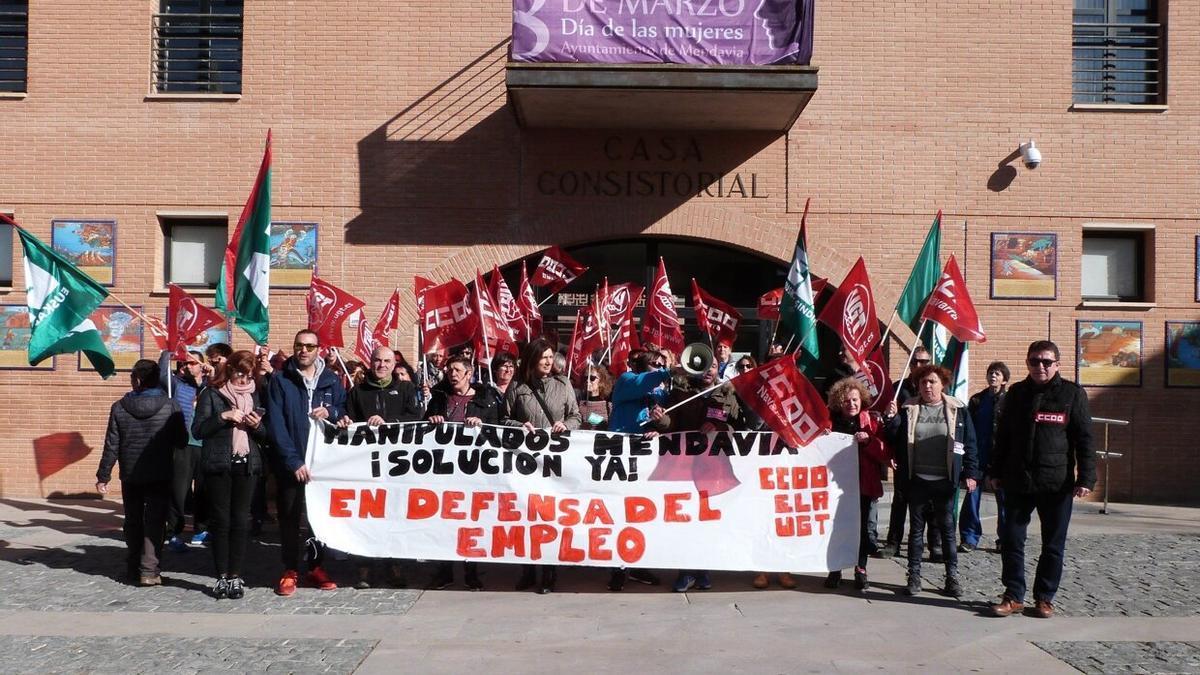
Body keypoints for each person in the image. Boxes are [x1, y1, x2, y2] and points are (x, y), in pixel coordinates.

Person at [988, 341, 1094, 619]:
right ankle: (1013, 596)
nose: (1041, 367)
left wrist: (1086, 478)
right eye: (1035, 361)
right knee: (1011, 539)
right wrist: (995, 472)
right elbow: (1004, 438)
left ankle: (1045, 598)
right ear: (1027, 363)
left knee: (1053, 545)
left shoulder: (1072, 394)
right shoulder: (1016, 393)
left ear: (1057, 364)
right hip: (1018, 481)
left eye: (1047, 362)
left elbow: (1084, 440)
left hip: (1056, 484)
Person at [266, 329, 351, 596]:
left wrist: (333, 412)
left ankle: (315, 566)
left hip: (322, 464)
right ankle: (290, 569)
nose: (304, 351)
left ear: (319, 350)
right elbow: (276, 424)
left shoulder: (331, 380)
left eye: (310, 347)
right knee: (290, 518)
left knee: (318, 520)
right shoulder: (280, 380)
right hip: (292, 464)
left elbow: (343, 412)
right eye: (299, 345)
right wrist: (292, 460)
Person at [885, 364, 978, 598]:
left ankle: (951, 577)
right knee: (916, 531)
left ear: (943, 384)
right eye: (923, 382)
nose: (928, 386)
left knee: (947, 531)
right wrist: (892, 418)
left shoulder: (958, 410)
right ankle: (914, 576)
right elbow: (894, 439)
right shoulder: (909, 409)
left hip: (945, 481)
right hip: (918, 480)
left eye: (932, 382)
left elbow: (970, 443)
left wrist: (971, 473)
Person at [651, 359, 742, 593]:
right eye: (704, 367)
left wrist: (718, 427)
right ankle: (686, 571)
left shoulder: (727, 393)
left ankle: (702, 569)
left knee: (707, 520)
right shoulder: (681, 393)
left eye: (713, 366)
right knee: (686, 519)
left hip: (714, 466)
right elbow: (671, 424)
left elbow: (738, 425)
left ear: (717, 369)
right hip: (685, 465)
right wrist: (660, 418)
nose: (708, 371)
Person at [95, 359, 188, 586]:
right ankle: (149, 569)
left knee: (133, 520)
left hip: (131, 472)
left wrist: (103, 475)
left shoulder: (119, 407)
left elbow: (112, 444)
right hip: (160, 471)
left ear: (137, 380)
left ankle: (132, 567)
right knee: (155, 521)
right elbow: (182, 440)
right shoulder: (170, 406)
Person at [424, 354, 508, 591]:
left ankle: (471, 572)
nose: (452, 374)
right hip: (443, 471)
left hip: (474, 472)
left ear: (469, 374)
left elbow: (498, 428)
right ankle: (445, 571)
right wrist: (432, 418)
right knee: (444, 523)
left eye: (458, 370)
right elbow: (422, 425)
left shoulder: (486, 400)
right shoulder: (440, 397)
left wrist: (481, 424)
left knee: (471, 523)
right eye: (450, 370)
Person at [504, 338, 581, 593]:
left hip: (554, 460)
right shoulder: (517, 386)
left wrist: (565, 426)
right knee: (526, 513)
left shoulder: (563, 384)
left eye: (551, 357)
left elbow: (576, 416)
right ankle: (527, 570)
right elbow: (503, 418)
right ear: (532, 359)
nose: (549, 361)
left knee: (549, 514)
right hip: (525, 460)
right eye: (544, 357)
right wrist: (519, 426)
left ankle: (549, 572)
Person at [191, 350, 267, 600]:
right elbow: (199, 429)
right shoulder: (213, 394)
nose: (243, 380)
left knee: (240, 521)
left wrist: (257, 426)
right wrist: (223, 416)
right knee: (221, 521)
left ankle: (235, 575)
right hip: (219, 464)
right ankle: (221, 575)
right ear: (229, 369)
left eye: (247, 375)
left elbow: (266, 436)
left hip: (247, 464)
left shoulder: (256, 393)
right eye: (238, 374)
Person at [346, 346, 424, 589]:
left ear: (394, 364)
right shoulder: (357, 391)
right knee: (366, 518)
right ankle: (364, 570)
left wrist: (388, 423)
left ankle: (396, 568)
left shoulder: (406, 389)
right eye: (377, 360)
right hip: (366, 467)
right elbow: (347, 421)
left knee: (395, 518)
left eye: (387, 361)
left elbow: (416, 418)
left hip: (397, 467)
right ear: (371, 362)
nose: (382, 365)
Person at [823, 378, 891, 592]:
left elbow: (885, 453)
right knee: (837, 529)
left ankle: (860, 569)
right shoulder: (828, 424)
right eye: (846, 401)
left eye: (855, 400)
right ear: (838, 403)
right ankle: (835, 570)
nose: (851, 404)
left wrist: (869, 441)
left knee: (861, 530)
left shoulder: (872, 422)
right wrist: (822, 438)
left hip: (863, 486)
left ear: (861, 400)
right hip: (835, 488)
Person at [881, 346, 940, 560]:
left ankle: (935, 545)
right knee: (901, 500)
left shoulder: (936, 390)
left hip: (929, 455)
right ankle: (893, 542)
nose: (919, 366)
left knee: (931, 504)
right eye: (916, 361)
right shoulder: (899, 389)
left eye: (924, 362)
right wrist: (891, 417)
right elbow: (892, 429)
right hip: (905, 455)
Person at [158, 349, 207, 552]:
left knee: (205, 491)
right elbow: (162, 375)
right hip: (183, 445)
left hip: (207, 445)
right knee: (178, 491)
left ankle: (202, 529)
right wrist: (167, 352)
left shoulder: (210, 387)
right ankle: (174, 532)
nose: (187, 366)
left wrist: (209, 376)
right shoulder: (178, 385)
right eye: (184, 364)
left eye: (191, 363)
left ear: (202, 366)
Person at [960, 361, 1010, 553]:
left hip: (1001, 459)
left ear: (1004, 379)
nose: (993, 376)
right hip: (978, 457)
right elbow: (968, 429)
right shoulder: (977, 401)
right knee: (972, 498)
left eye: (997, 373)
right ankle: (969, 538)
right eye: (991, 373)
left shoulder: (1011, 401)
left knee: (1004, 501)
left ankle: (1004, 539)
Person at [577, 366, 612, 431]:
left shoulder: (608, 407)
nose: (587, 380)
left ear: (601, 381)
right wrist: (580, 426)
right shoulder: (577, 405)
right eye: (585, 378)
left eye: (592, 378)